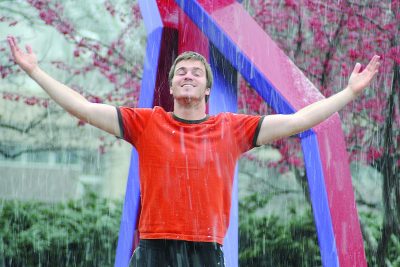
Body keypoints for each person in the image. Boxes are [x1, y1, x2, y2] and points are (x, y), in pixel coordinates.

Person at [7, 36, 380, 266]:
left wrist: (348, 94)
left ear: (206, 90)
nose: (187, 74)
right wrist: (36, 72)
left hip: (204, 251)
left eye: (195, 73)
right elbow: (83, 108)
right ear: (170, 87)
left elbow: (298, 121)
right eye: (180, 71)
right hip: (153, 249)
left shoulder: (231, 128)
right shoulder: (146, 123)